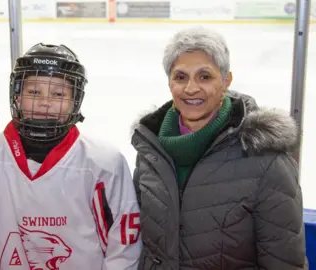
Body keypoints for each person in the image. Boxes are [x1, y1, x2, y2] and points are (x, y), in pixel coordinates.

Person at [0, 43, 142, 269]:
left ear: (75, 102)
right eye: (34, 92)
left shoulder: (105, 163)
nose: (45, 102)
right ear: (17, 97)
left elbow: (124, 247)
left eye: (58, 94)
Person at [131, 27, 307, 269]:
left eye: (205, 76)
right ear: (170, 83)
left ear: (226, 81)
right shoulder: (150, 150)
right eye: (180, 77)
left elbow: (284, 262)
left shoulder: (265, 158)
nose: (191, 88)